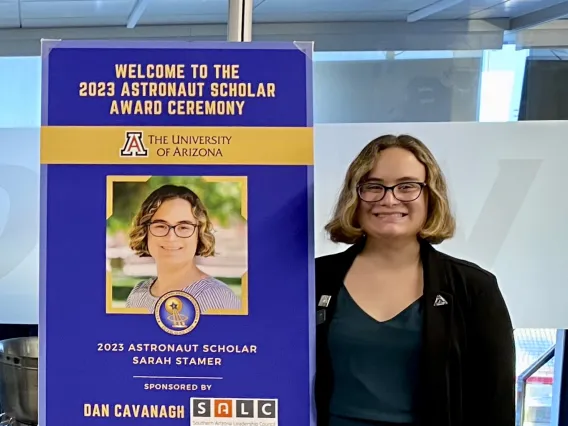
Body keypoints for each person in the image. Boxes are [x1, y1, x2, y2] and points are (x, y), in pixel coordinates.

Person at [315, 135, 515, 426]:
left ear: (430, 196)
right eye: (373, 186)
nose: (389, 198)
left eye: (407, 186)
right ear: (354, 198)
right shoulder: (315, 280)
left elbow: (495, 402)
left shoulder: (473, 288)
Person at [125, 184, 241, 313]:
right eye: (161, 226)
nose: (171, 237)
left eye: (184, 227)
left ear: (199, 234)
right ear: (145, 231)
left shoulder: (218, 299)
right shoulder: (137, 297)